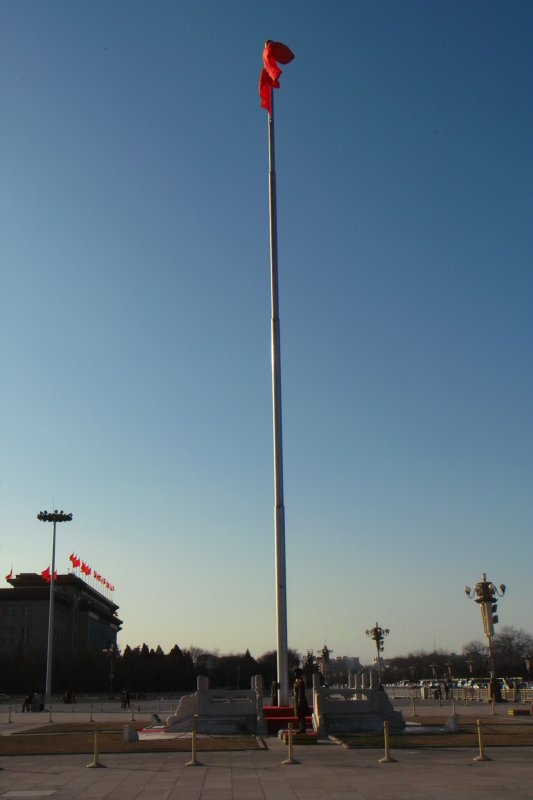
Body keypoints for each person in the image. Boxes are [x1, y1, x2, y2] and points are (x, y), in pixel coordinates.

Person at [292, 669, 309, 734]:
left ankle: (303, 729)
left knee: (302, 715)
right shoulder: (296, 681)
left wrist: (300, 700)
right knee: (299, 715)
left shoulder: (301, 681)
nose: (295, 674)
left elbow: (301, 692)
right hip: (296, 699)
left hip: (300, 700)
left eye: (296, 673)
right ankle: (300, 728)